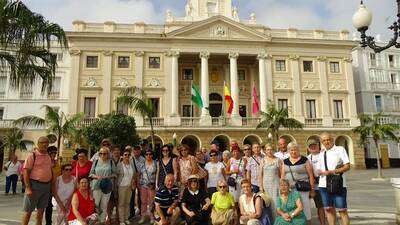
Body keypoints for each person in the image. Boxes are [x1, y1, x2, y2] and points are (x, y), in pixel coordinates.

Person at [317, 133, 351, 225]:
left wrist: (332, 171)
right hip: (323, 185)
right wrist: (319, 172)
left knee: (342, 210)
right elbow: (318, 169)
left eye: (328, 139)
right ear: (321, 142)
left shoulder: (340, 149)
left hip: (338, 184)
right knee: (328, 209)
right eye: (324, 140)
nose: (326, 142)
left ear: (332, 139)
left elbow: (347, 166)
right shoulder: (321, 153)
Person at [281, 142, 315, 225]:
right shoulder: (285, 161)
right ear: (289, 151)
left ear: (298, 150)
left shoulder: (304, 160)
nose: (293, 152)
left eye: (295, 150)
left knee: (305, 208)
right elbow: (282, 175)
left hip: (302, 188)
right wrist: (282, 188)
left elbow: (311, 175)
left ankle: (307, 223)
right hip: (290, 189)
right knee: (293, 208)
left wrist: (312, 189)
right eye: (291, 150)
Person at [22, 136, 53, 225]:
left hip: (46, 186)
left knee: (41, 212)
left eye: (47, 142)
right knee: (28, 211)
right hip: (34, 185)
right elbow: (26, 172)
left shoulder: (48, 156)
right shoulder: (32, 156)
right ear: (38, 144)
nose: (45, 144)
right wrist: (28, 188)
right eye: (43, 142)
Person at [89, 147, 117, 223]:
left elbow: (115, 174)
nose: (102, 155)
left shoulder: (111, 162)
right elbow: (90, 174)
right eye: (100, 153)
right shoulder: (96, 161)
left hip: (107, 186)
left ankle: (102, 221)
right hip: (96, 186)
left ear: (108, 154)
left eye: (104, 153)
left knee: (104, 205)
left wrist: (108, 177)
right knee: (96, 205)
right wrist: (97, 177)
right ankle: (95, 221)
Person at [259, 144, 282, 218]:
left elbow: (281, 174)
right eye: (268, 149)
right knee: (267, 203)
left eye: (271, 149)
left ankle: (277, 221)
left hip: (275, 185)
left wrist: (282, 185)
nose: (269, 151)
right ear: (265, 151)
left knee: (276, 204)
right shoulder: (262, 160)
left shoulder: (278, 160)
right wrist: (261, 187)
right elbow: (260, 174)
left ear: (274, 150)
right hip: (266, 186)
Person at [306, 140, 326, 225]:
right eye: (311, 146)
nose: (313, 147)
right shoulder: (307, 158)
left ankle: (323, 223)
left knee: (324, 206)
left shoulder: (324, 154)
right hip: (314, 185)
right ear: (309, 148)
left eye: (314, 145)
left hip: (325, 183)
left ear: (318, 146)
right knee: (316, 206)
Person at [116, 148, 136, 225]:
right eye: (125, 155)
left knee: (127, 203)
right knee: (121, 204)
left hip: (129, 187)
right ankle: (121, 220)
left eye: (128, 155)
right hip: (121, 186)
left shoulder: (131, 165)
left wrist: (133, 183)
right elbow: (116, 175)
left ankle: (126, 218)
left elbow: (133, 175)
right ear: (122, 156)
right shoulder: (120, 164)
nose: (127, 156)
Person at [138, 149, 157, 217]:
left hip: (152, 186)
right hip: (143, 185)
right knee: (143, 202)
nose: (148, 155)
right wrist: (139, 184)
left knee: (151, 202)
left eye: (150, 154)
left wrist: (155, 184)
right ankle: (143, 215)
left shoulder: (155, 163)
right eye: (147, 154)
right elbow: (139, 174)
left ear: (152, 155)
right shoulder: (142, 164)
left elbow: (157, 174)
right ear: (145, 155)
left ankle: (152, 216)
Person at [46, 146, 62, 225]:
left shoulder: (57, 164)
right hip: (47, 186)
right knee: (48, 205)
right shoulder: (45, 163)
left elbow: (59, 175)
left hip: (56, 187)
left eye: (54, 153)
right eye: (51, 153)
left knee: (51, 205)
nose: (53, 155)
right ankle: (48, 223)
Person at [107, 145, 121, 224]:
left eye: (118, 150)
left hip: (120, 184)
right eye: (114, 150)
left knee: (119, 202)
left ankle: (117, 217)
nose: (116, 152)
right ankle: (109, 217)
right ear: (112, 152)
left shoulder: (122, 159)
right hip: (110, 184)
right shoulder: (109, 160)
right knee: (110, 202)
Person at [130, 145, 144, 218]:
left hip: (140, 180)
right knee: (131, 197)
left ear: (140, 151)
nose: (136, 151)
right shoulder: (130, 159)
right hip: (132, 180)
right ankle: (131, 213)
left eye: (138, 150)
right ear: (133, 151)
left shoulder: (143, 159)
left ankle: (141, 211)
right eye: (135, 150)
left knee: (140, 196)